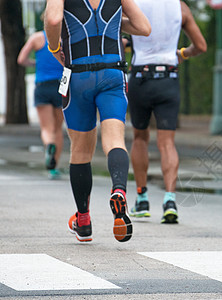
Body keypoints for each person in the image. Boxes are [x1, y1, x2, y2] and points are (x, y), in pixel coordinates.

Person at [44, 0, 151, 243]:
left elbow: (53, 19)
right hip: (112, 72)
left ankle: (83, 221)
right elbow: (144, 27)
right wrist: (112, 26)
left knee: (80, 151)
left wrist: (53, 47)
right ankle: (119, 190)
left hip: (78, 74)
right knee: (114, 140)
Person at [127, 0, 206, 224]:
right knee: (167, 143)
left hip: (140, 77)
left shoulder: (133, 4)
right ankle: (170, 200)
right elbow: (200, 46)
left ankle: (142, 199)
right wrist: (181, 53)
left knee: (140, 137)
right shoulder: (179, 7)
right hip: (168, 78)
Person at [17, 30, 64, 180]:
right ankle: (54, 168)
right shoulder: (65, 38)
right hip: (61, 85)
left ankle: (49, 144)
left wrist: (35, 63)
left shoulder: (37, 38)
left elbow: (21, 59)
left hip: (42, 85)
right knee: (58, 128)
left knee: (46, 128)